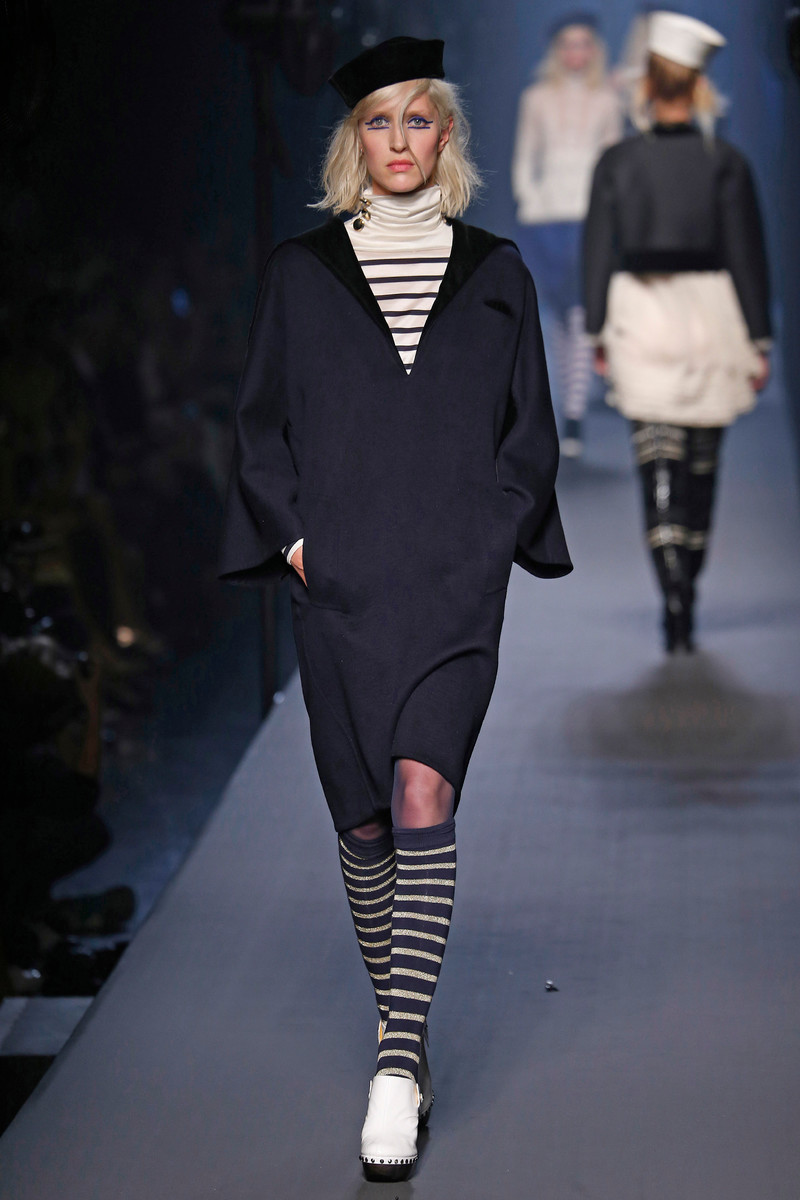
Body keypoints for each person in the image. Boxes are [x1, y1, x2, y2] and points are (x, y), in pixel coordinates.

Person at [219, 36, 571, 1182]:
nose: (399, 140)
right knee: (365, 824)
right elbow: (259, 428)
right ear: (353, 141)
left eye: (417, 119)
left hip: (453, 587)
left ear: (445, 134)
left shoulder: (496, 273)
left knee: (424, 790)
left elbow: (528, 433)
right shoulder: (301, 274)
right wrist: (297, 543)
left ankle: (391, 1064)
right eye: (379, 121)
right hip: (343, 587)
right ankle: (405, 1039)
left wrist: (492, 534)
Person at [583, 12, 771, 653]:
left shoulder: (617, 162)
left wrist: (597, 328)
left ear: (646, 84)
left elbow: (597, 251)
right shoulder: (726, 163)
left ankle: (674, 597)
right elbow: (747, 255)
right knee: (702, 463)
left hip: (639, 311)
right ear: (699, 85)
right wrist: (760, 338)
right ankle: (687, 584)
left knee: (657, 457)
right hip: (713, 313)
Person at [512, 13, 622, 457]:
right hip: (545, 217)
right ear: (557, 50)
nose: (576, 52)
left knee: (579, 311)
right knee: (558, 314)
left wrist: (612, 212)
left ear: (594, 50)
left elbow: (614, 161)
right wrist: (528, 198)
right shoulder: (535, 97)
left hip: (590, 217)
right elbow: (525, 154)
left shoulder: (608, 99)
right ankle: (567, 409)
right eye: (568, 44)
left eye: (584, 44)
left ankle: (574, 414)